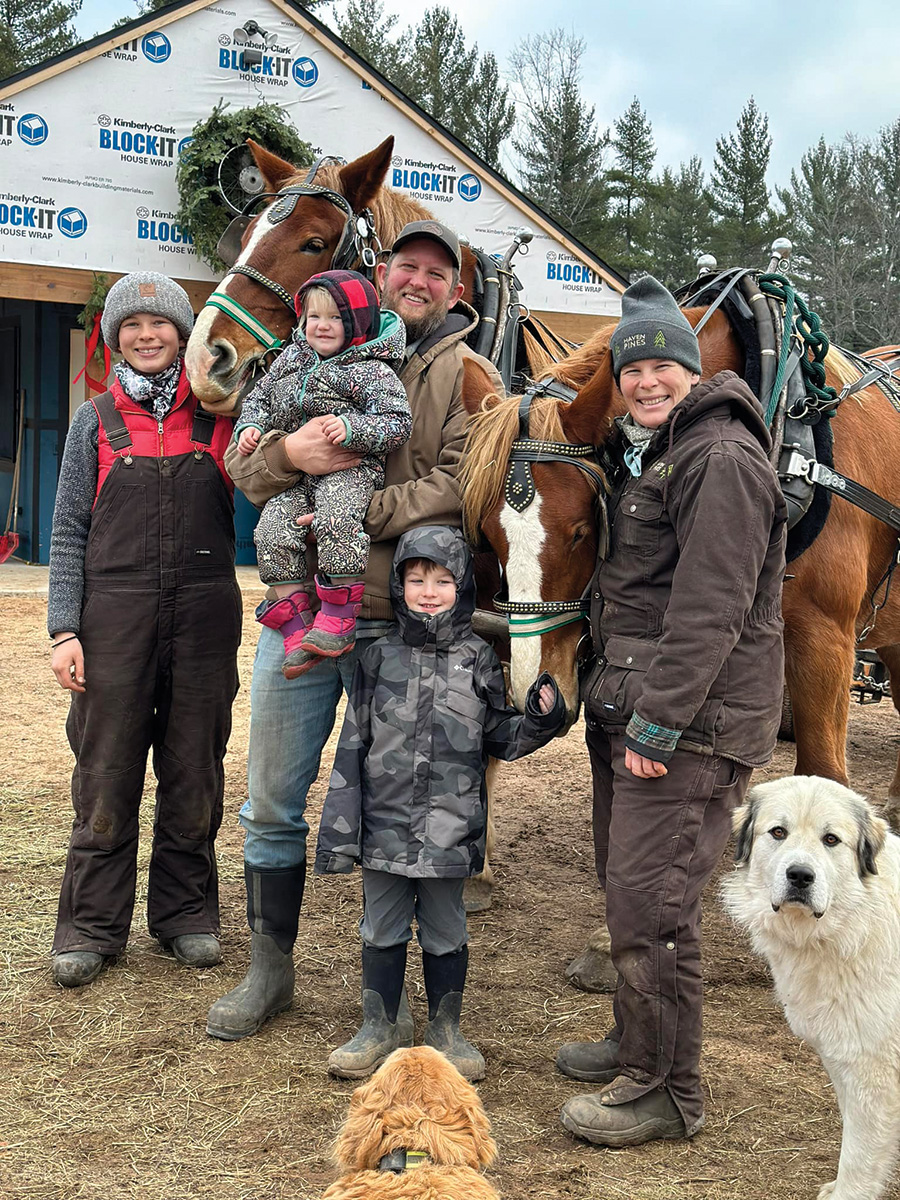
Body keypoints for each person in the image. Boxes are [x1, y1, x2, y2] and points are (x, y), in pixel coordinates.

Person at [206, 220, 505, 1041]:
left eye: (436, 272)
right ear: (379, 272)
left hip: (403, 634)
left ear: (455, 289)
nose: (418, 281)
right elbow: (244, 463)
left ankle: (389, 995)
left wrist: (358, 513)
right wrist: (292, 458)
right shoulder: (307, 348)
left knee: (396, 813)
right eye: (406, 265)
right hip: (303, 616)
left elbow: (461, 481)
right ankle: (270, 969)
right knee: (271, 798)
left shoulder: (467, 374)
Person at [556, 276, 787, 1145]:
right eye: (632, 369)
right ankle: (636, 1041)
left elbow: (710, 610)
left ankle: (666, 1089)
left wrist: (658, 723)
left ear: (692, 371)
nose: (647, 381)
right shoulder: (663, 453)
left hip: (689, 725)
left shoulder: (719, 458)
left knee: (653, 908)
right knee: (631, 893)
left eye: (662, 366)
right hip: (640, 709)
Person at [315, 526, 565, 1081]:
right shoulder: (377, 658)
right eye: (416, 579)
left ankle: (446, 1029)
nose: (429, 592)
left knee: (446, 932)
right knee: (380, 929)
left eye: (443, 581)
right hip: (383, 830)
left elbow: (500, 736)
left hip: (449, 833)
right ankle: (378, 1026)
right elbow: (352, 745)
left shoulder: (479, 659)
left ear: (463, 587)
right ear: (398, 585)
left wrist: (541, 720)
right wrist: (340, 834)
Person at [48, 272, 240, 987]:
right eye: (131, 325)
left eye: (161, 324)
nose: (146, 335)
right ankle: (91, 927)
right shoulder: (94, 420)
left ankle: (185, 915)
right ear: (113, 337)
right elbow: (67, 529)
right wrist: (63, 630)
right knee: (105, 771)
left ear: (185, 336)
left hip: (204, 619)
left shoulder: (222, 416)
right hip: (113, 621)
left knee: (195, 768)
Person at [235, 270, 411, 677]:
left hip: (351, 469)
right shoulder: (289, 360)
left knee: (337, 517)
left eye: (335, 318)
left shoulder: (372, 370)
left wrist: (352, 428)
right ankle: (295, 623)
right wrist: (251, 426)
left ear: (358, 324)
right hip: (299, 478)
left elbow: (398, 422)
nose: (322, 326)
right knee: (271, 529)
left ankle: (337, 616)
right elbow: (259, 397)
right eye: (313, 317)